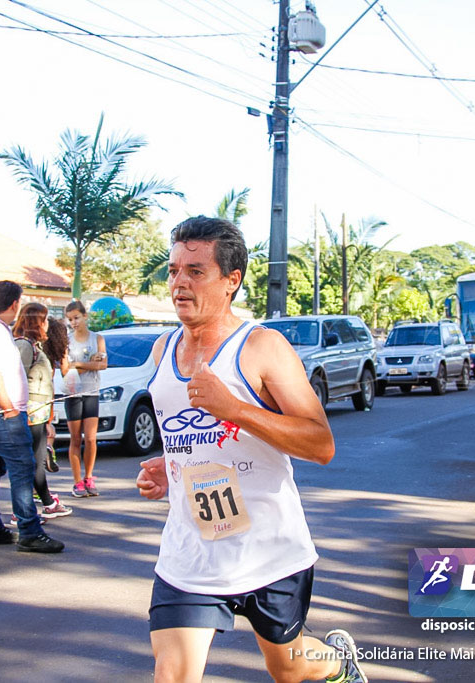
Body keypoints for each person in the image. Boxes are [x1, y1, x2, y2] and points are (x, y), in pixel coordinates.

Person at [136, 216, 368, 683]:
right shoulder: (163, 349)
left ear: (231, 281)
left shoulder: (262, 347)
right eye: (173, 270)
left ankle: (338, 663)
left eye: (195, 272)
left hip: (269, 550)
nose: (179, 283)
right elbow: (190, 434)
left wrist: (236, 408)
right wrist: (174, 465)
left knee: (288, 667)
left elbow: (320, 444)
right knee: (172, 675)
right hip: (191, 553)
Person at [0, 280, 64, 553]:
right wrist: (8, 408)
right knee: (22, 470)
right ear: (14, 303)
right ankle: (29, 530)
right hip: (1, 415)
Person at [12, 303, 72, 520]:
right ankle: (23, 512)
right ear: (36, 322)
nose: (48, 324)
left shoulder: (33, 346)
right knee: (32, 464)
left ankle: (42, 503)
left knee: (35, 463)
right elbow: (16, 382)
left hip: (38, 414)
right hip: (29, 414)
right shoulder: (25, 346)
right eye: (45, 319)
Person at [63, 300, 107, 498]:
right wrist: (89, 362)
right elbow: (65, 367)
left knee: (90, 438)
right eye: (70, 319)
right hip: (72, 392)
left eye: (76, 318)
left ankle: (89, 477)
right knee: (75, 438)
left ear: (85, 316)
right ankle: (77, 481)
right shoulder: (66, 340)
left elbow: (103, 365)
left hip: (91, 392)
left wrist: (78, 364)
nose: (74, 322)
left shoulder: (97, 338)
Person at [41, 316, 70, 474]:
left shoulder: (40, 355)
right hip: (42, 406)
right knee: (47, 436)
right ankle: (48, 450)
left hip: (43, 404)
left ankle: (47, 450)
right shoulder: (47, 361)